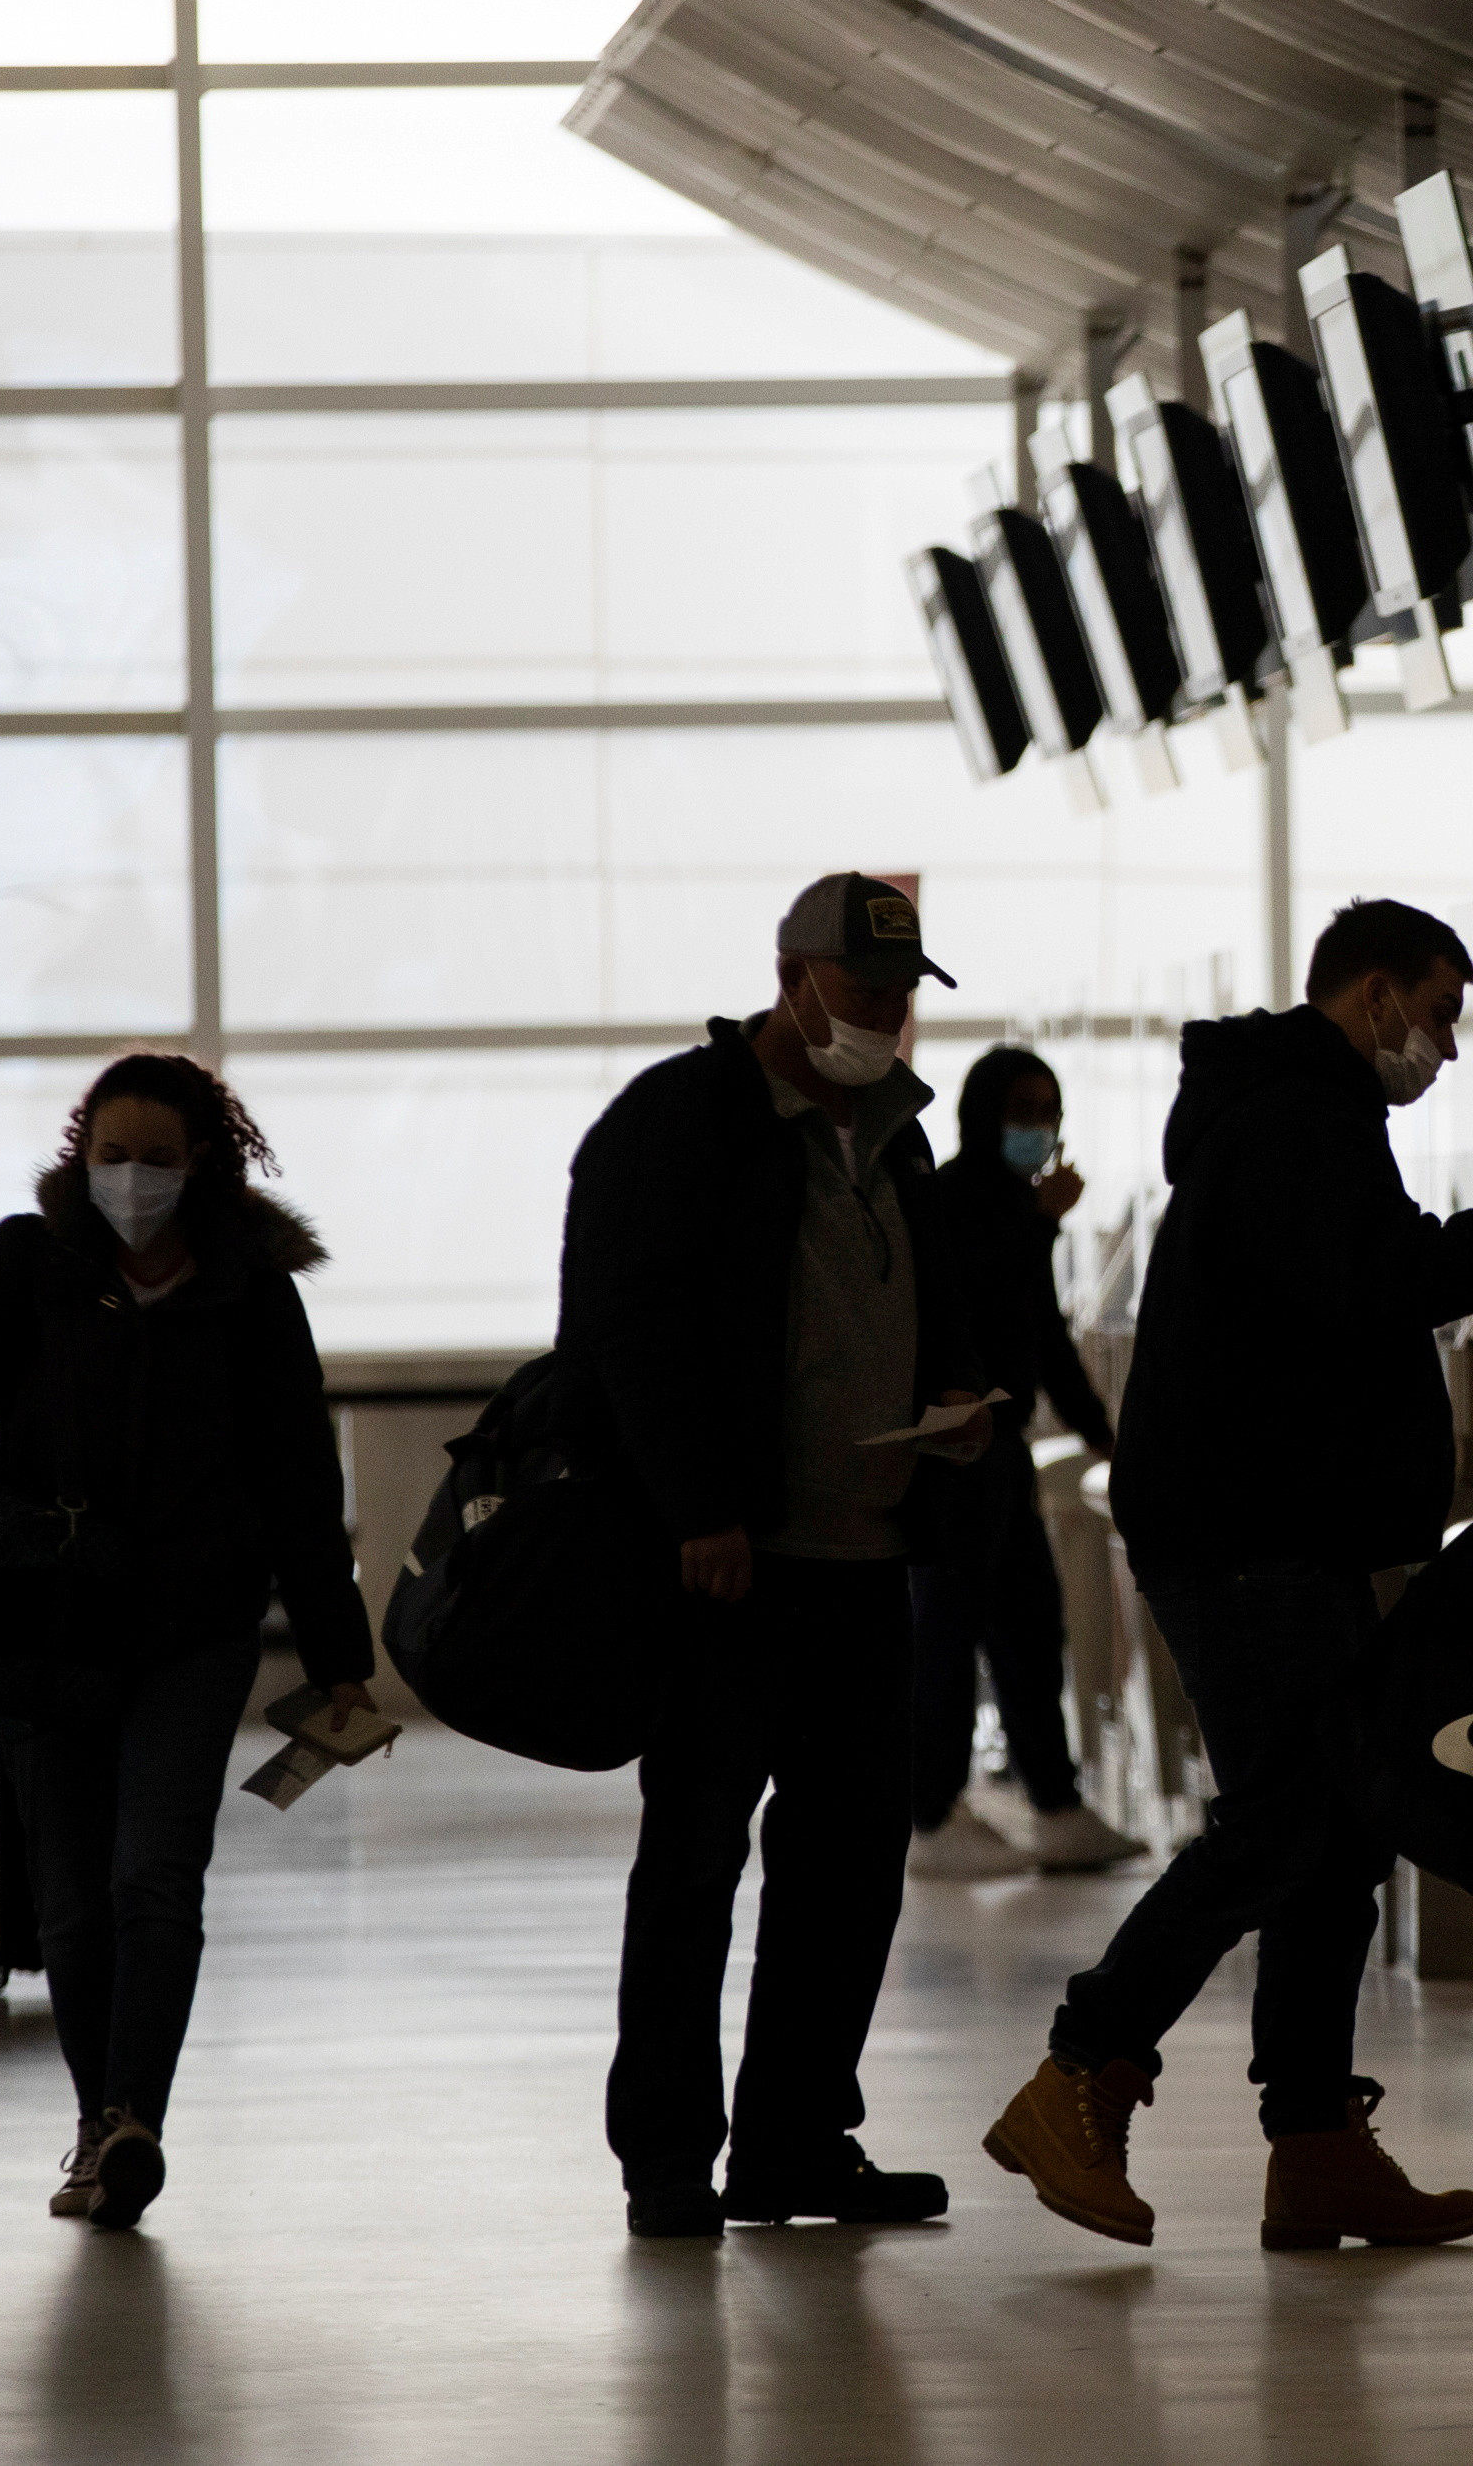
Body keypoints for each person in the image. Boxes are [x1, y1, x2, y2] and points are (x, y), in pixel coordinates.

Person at [982, 898, 1473, 2252]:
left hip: (1282, 1534)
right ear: (1375, 993)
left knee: (1341, 1827)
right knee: (1287, 1821)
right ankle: (1082, 2067)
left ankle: (1319, 2136)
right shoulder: (1294, 1120)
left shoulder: (1297, 1111)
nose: (1442, 1047)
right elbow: (1379, 1277)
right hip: (1248, 1541)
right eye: (1436, 1011)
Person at [0, 1053, 375, 2232]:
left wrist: (342, 1660)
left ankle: (135, 2120)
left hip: (193, 1630)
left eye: (158, 1159)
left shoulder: (250, 1294)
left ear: (205, 1168)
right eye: (112, 1155)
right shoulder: (26, 1268)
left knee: (153, 1875)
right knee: (73, 1903)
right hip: (42, 1631)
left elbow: (295, 1486)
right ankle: (97, 2128)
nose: (132, 1179)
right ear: (82, 1157)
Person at [555, 872, 999, 2242]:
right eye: (865, 990)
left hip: (867, 1559)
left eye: (904, 993)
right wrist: (698, 1507)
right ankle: (670, 2155)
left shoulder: (896, 1137)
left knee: (849, 1866)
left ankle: (798, 2140)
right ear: (791, 975)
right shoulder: (679, 1124)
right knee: (695, 1859)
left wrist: (953, 1409)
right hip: (728, 1566)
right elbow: (626, 1333)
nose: (887, 1015)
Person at [905, 1045, 1136, 1880]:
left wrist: (1100, 1428)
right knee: (950, 1635)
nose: (1040, 1128)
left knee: (1030, 1630)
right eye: (1025, 1109)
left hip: (1001, 1453)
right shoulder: (957, 1198)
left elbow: (1041, 1336)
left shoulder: (1010, 1204)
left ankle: (1055, 1803)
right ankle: (929, 1812)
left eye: (1051, 1111)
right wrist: (1042, 1223)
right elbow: (975, 1304)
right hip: (958, 1448)